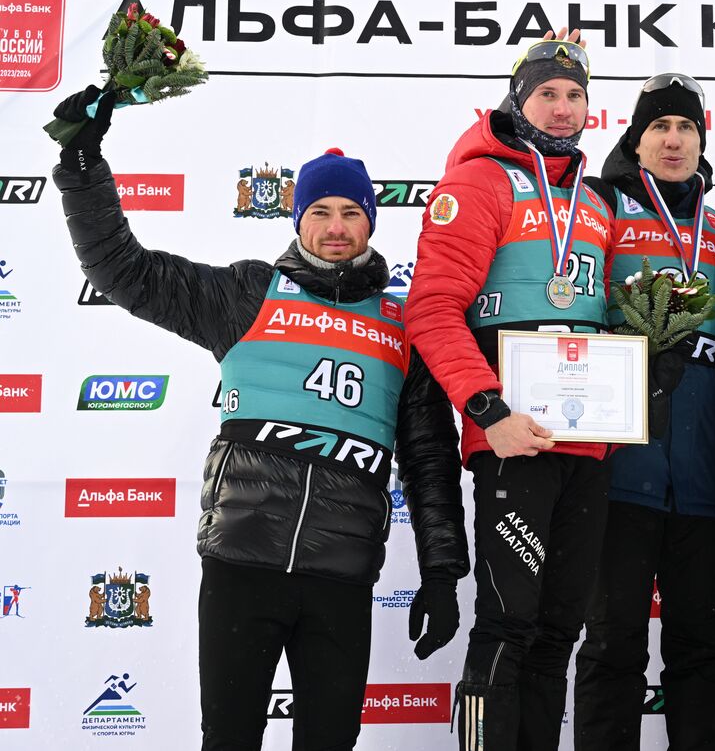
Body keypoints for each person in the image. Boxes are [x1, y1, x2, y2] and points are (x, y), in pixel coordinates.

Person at [48, 87, 469, 751]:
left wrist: (443, 573)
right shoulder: (248, 294)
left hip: (341, 575)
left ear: (370, 223)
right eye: (321, 211)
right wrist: (81, 167)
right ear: (298, 218)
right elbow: (121, 269)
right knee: (230, 740)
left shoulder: (403, 325)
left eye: (351, 212)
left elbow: (431, 461)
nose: (336, 226)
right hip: (242, 565)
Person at [404, 32, 614, 750]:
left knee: (559, 630)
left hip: (587, 442)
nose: (561, 108)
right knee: (506, 625)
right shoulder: (478, 181)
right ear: (516, 98)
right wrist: (487, 412)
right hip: (512, 437)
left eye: (574, 94)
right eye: (546, 93)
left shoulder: (595, 198)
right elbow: (430, 308)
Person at [572, 73, 715, 751]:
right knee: (611, 647)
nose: (673, 139)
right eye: (659, 127)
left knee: (700, 651)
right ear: (635, 140)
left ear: (702, 140)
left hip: (704, 481)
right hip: (620, 473)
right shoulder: (599, 208)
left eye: (686, 127)